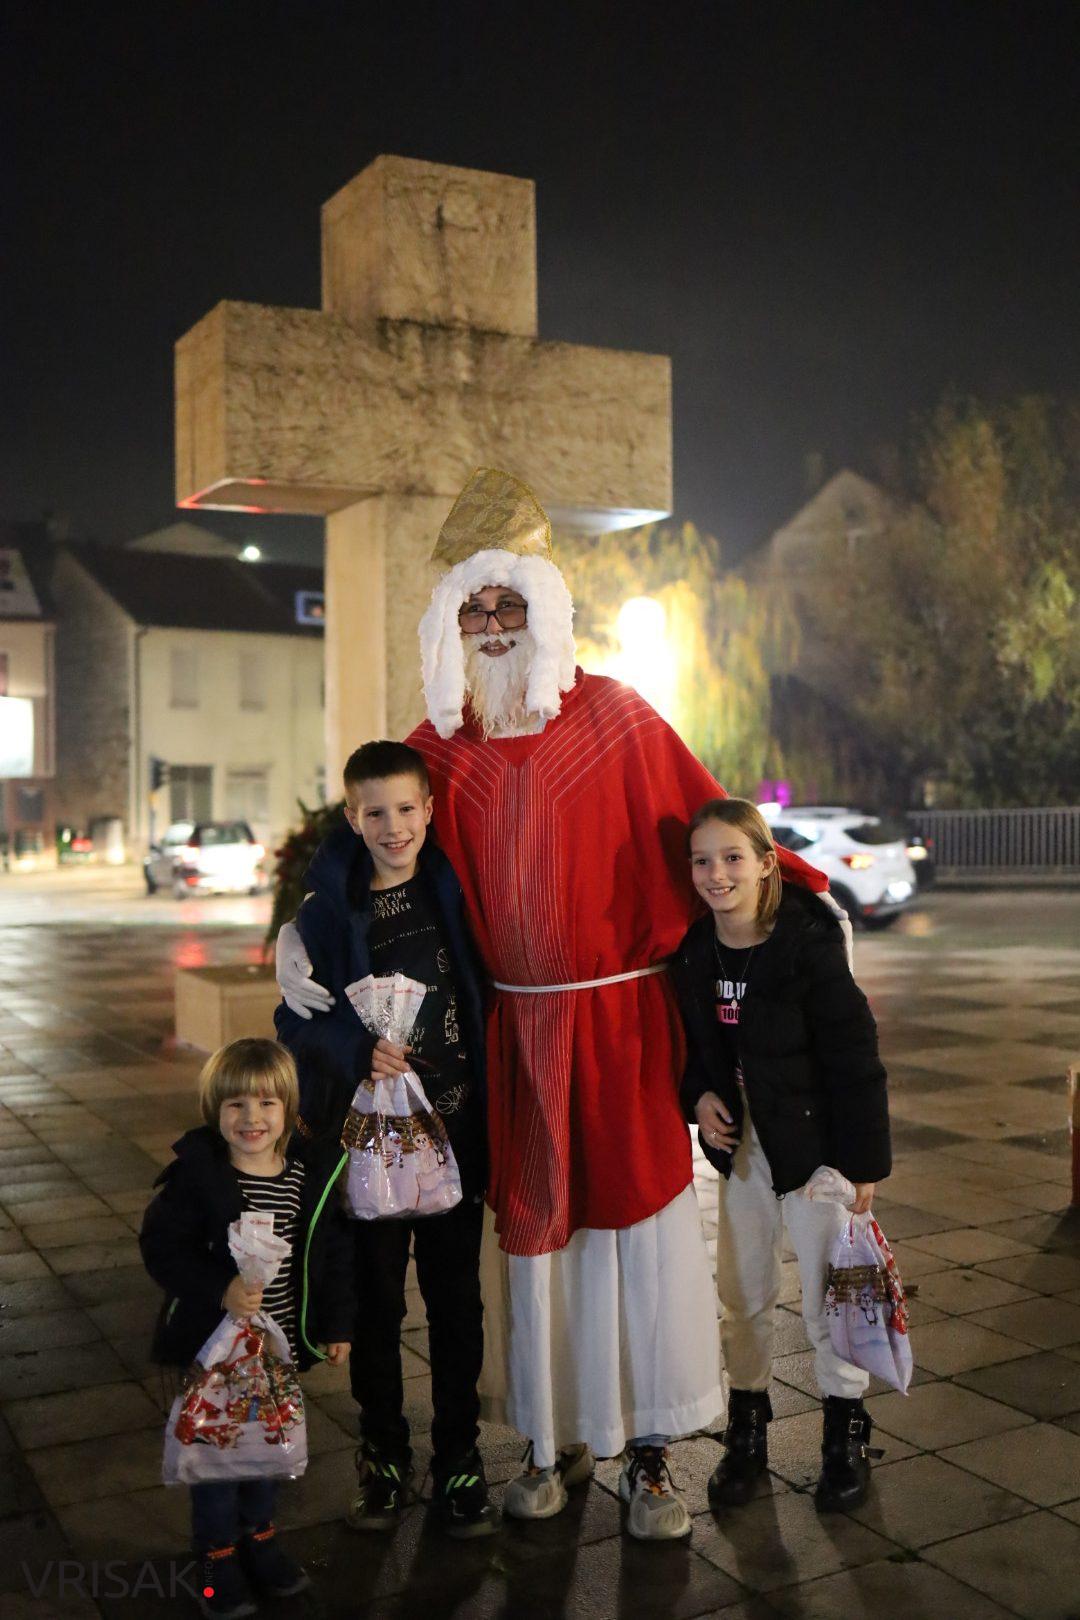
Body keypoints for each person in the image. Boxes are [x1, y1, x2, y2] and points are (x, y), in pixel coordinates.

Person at [277, 468, 830, 1542]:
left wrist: (803, 903)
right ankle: (549, 1441)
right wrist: (305, 934)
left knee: (639, 1231)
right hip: (511, 1032)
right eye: (474, 607)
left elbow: (706, 825)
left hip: (620, 1027)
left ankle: (656, 1450)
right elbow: (365, 849)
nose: (491, 625)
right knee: (534, 1242)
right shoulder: (437, 749)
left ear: (544, 607)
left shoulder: (617, 717)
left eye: (509, 604)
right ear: (452, 618)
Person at [274, 739, 497, 1539]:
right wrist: (351, 1047)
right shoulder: (331, 915)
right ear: (351, 817)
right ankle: (382, 1455)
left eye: (407, 808)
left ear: (430, 810)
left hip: (456, 1134)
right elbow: (292, 1026)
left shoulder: (455, 889)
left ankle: (460, 1458)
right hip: (367, 1147)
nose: (394, 826)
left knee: (454, 1305)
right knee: (373, 1305)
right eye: (376, 812)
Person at [670, 797, 891, 1513]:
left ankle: (844, 1433)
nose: (716, 873)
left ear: (767, 862)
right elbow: (695, 1055)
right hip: (743, 1153)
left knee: (834, 1295)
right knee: (743, 1293)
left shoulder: (805, 944)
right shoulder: (696, 951)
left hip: (816, 1151)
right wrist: (698, 1098)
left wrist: (862, 1168)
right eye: (702, 860)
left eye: (733, 857)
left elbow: (856, 1056)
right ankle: (748, 1433)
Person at [140, 1038, 354, 1620]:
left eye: (266, 1104)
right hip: (213, 1355)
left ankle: (260, 1541)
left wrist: (336, 1324)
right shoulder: (198, 1179)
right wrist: (220, 1288)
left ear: (288, 1109)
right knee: (216, 1460)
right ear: (215, 1112)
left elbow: (331, 1255)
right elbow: (162, 1247)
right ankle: (215, 1561)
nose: (251, 1118)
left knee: (265, 1451)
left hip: (275, 1355)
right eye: (235, 1105)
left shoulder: (302, 1179)